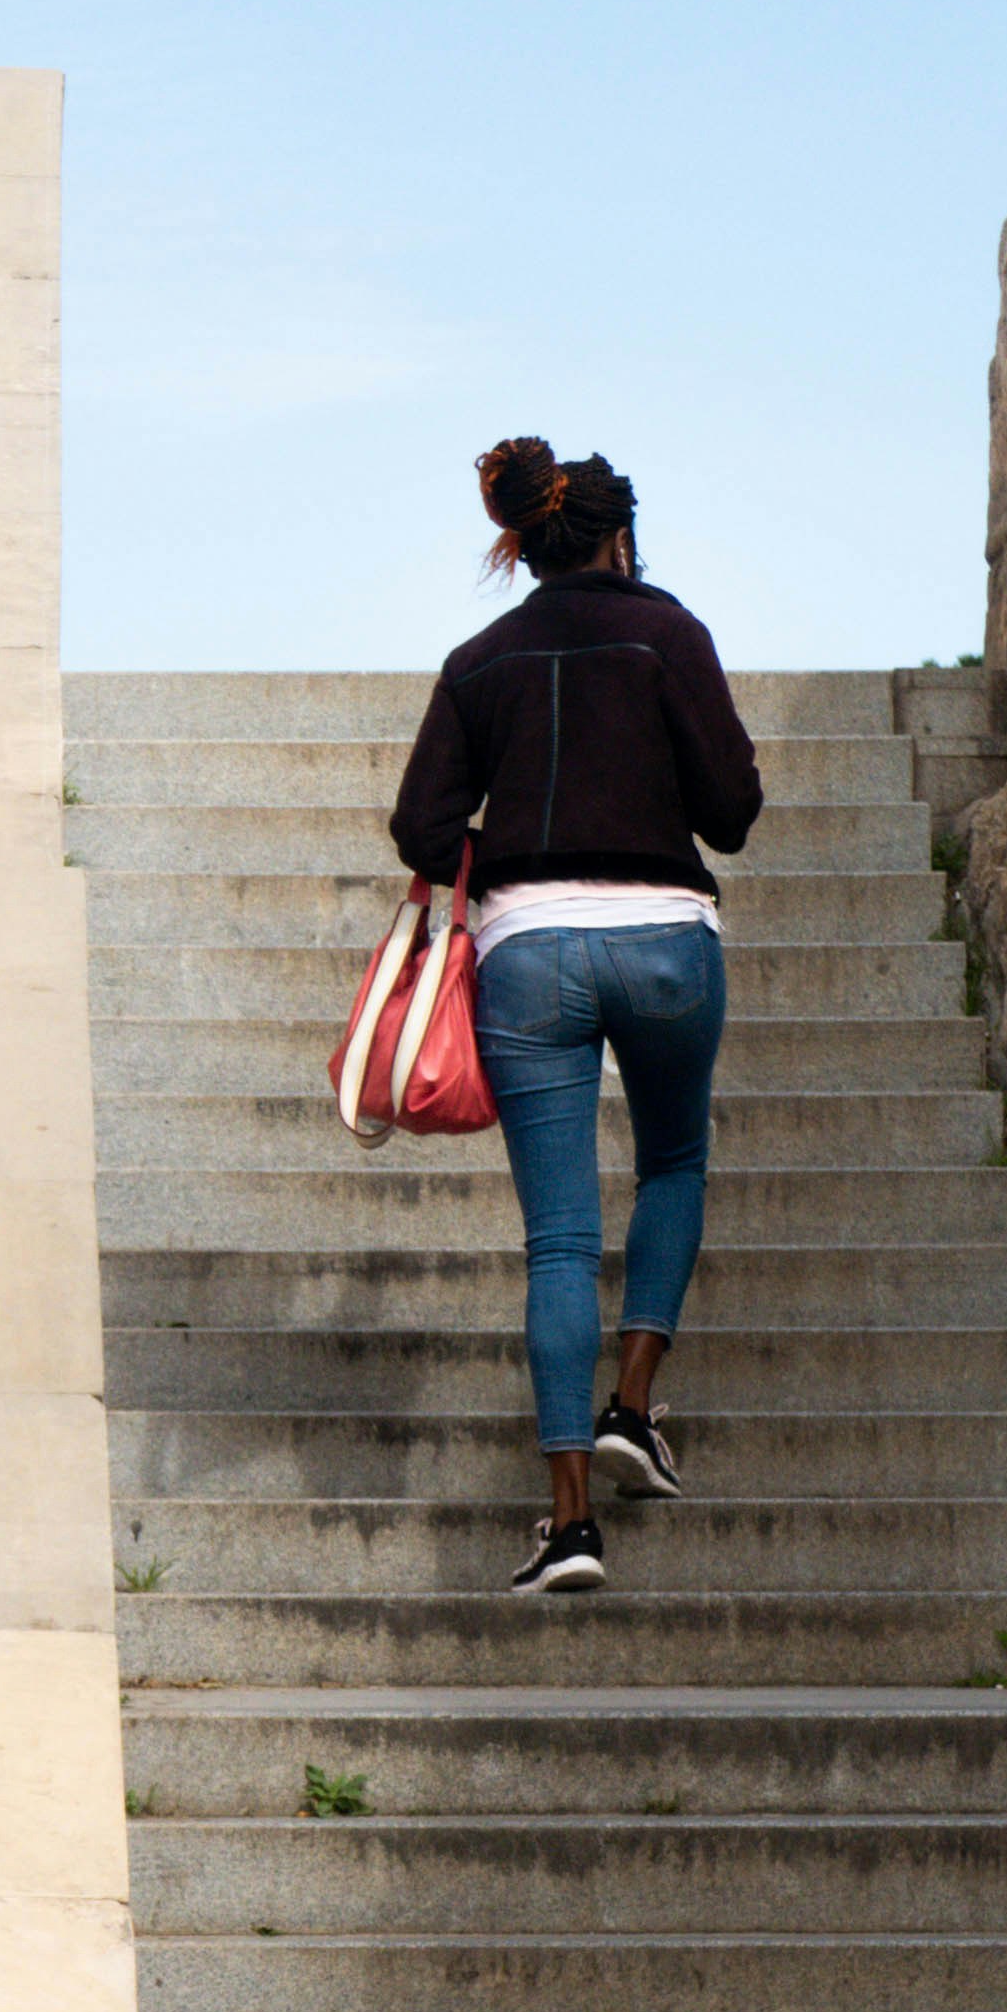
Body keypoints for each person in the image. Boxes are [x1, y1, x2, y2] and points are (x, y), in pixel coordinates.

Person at [388, 438, 763, 1598]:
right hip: (663, 944)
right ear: (616, 537)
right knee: (672, 1164)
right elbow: (732, 811)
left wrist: (515, 841)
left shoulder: (476, 658)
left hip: (526, 955)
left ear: (527, 547)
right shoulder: (668, 632)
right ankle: (634, 1405)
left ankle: (567, 1527)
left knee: (555, 1242)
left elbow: (419, 826)